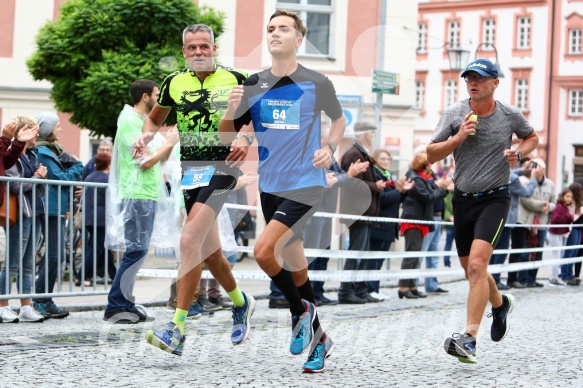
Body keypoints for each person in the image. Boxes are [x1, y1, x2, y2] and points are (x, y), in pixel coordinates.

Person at [220, 10, 346, 373]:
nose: (275, 33)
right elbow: (229, 134)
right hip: (270, 184)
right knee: (295, 265)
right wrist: (232, 114)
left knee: (263, 252)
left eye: (283, 29)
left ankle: (298, 312)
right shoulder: (254, 82)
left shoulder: (316, 81)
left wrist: (331, 148)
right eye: (271, 28)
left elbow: (338, 120)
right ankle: (320, 341)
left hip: (306, 184)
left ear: (298, 38)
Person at [137, 24, 256, 356]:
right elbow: (155, 119)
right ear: (185, 51)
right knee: (209, 253)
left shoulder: (237, 79)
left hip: (224, 167)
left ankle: (176, 327)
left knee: (188, 239)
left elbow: (256, 119)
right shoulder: (174, 83)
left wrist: (245, 139)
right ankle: (241, 302)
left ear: (214, 50)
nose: (199, 52)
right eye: (192, 48)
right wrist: (145, 137)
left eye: (205, 46)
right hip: (192, 172)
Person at [427, 58, 539, 363]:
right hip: (463, 199)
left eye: (479, 78)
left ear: (495, 83)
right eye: (468, 78)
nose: (472, 83)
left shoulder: (509, 115)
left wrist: (518, 153)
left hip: (495, 198)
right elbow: (430, 153)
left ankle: (469, 339)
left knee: (477, 265)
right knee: (471, 271)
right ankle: (500, 304)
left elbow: (532, 137)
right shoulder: (454, 114)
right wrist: (458, 137)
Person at [103, 79, 178, 324]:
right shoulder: (129, 122)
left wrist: (170, 141)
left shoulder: (146, 124)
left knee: (138, 250)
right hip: (136, 193)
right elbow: (143, 161)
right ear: (145, 96)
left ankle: (124, 302)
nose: (160, 100)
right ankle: (116, 305)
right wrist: (167, 142)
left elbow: (159, 158)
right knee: (135, 250)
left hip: (147, 192)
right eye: (157, 94)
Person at [32, 112, 84, 320]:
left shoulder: (52, 150)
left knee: (57, 255)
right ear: (48, 129)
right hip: (51, 208)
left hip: (57, 207)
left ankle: (45, 298)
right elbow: (60, 178)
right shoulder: (43, 151)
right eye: (58, 126)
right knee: (55, 255)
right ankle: (40, 299)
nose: (61, 129)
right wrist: (78, 165)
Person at [0, 116, 45, 323]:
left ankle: (26, 306)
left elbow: (36, 186)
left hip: (33, 212)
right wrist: (36, 177)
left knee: (28, 263)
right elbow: (16, 185)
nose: (36, 133)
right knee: (12, 262)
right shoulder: (13, 156)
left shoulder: (32, 156)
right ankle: (3, 304)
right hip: (20, 214)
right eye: (32, 129)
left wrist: (40, 177)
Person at [337, 121, 383, 304]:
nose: (373, 137)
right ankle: (346, 291)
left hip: (364, 211)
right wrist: (375, 186)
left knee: (361, 253)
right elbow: (351, 183)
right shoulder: (354, 153)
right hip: (357, 211)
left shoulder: (360, 152)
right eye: (372, 133)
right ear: (364, 134)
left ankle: (359, 290)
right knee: (356, 252)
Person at [398, 151, 449, 299]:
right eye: (429, 163)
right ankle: (403, 287)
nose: (431, 167)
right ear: (424, 165)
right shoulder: (416, 179)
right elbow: (428, 198)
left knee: (416, 254)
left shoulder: (421, 178)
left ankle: (412, 286)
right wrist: (443, 189)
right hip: (413, 220)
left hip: (419, 220)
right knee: (411, 255)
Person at [366, 148, 411, 300]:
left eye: (388, 159)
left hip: (389, 225)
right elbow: (383, 199)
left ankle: (375, 289)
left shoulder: (389, 176)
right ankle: (370, 289)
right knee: (373, 259)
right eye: (383, 159)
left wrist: (403, 192)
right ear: (376, 160)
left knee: (380, 259)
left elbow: (395, 199)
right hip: (378, 223)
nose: (386, 161)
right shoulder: (376, 175)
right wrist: (398, 191)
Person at [490, 161, 538, 290]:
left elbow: (511, 174)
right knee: (502, 250)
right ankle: (495, 279)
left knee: (494, 249)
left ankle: (490, 278)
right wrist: (533, 178)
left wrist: (523, 170)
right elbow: (527, 192)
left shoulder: (497, 171)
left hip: (494, 216)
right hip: (507, 219)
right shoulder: (512, 178)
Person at [77, 152, 116, 286]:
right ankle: (81, 276)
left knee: (103, 247)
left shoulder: (89, 177)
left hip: (89, 217)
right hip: (101, 219)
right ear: (109, 164)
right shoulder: (107, 179)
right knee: (96, 248)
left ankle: (114, 275)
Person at [515, 159, 555, 287]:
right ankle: (522, 278)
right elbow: (527, 200)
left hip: (541, 223)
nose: (535, 170)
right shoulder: (528, 182)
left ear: (543, 170)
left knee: (538, 251)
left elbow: (554, 201)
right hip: (528, 221)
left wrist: (548, 208)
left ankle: (532, 279)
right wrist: (541, 206)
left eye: (537, 168)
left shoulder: (550, 184)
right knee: (524, 251)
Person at [421, 165, 450, 294]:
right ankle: (412, 285)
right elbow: (426, 193)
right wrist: (436, 184)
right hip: (428, 217)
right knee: (422, 252)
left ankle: (431, 284)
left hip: (438, 217)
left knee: (434, 253)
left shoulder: (433, 174)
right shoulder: (419, 174)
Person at [547, 187, 574, 287]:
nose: (569, 199)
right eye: (567, 196)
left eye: (570, 197)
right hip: (554, 233)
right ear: (562, 196)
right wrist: (569, 217)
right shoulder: (559, 206)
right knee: (556, 256)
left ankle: (555, 277)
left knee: (559, 256)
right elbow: (555, 219)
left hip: (560, 234)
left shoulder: (565, 207)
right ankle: (553, 278)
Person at [560, 181, 583, 285]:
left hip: (578, 228)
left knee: (574, 252)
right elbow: (571, 217)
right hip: (572, 228)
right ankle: (565, 274)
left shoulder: (579, 202)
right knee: (569, 251)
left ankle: (570, 273)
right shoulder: (571, 203)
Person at [442, 188, 455, 268]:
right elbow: (445, 207)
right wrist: (449, 217)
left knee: (462, 245)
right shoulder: (447, 194)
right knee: (448, 243)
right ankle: (446, 261)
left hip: (459, 224)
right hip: (450, 223)